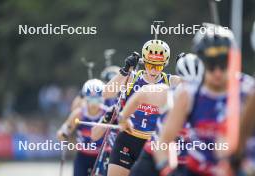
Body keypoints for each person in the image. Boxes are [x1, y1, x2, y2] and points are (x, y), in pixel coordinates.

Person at [154, 24, 255, 176]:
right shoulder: (188, 94)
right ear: (201, 62)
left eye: (223, 64)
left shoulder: (248, 91)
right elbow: (163, 142)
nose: (218, 72)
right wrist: (167, 169)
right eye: (211, 66)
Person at [117, 53, 204, 176]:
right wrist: (123, 118)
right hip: (153, 156)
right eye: (187, 85)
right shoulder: (167, 93)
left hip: (187, 161)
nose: (190, 91)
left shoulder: (210, 101)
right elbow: (141, 94)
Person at [102, 39, 181, 176]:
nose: (153, 70)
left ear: (165, 64)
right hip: (128, 139)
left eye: (158, 66)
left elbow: (195, 88)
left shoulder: (171, 81)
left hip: (153, 143)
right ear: (144, 61)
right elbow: (106, 93)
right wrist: (125, 70)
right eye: (150, 64)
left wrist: (185, 68)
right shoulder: (132, 78)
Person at [57, 79, 107, 176]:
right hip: (82, 156)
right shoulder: (78, 114)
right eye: (91, 97)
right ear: (85, 97)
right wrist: (64, 134)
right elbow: (62, 133)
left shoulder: (107, 113)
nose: (94, 100)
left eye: (97, 96)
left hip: (101, 156)